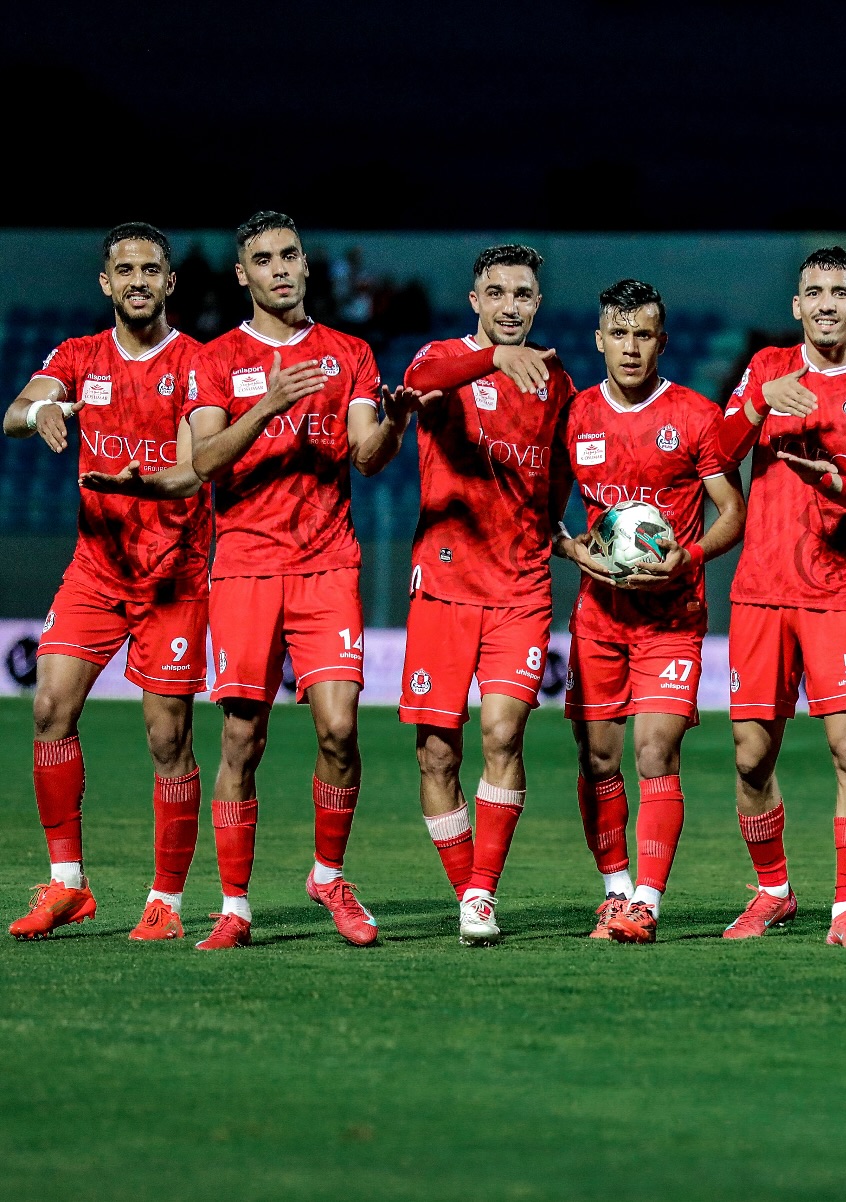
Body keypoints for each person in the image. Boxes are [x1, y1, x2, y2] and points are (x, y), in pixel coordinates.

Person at [184, 211, 421, 950]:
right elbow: (204, 461)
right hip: (246, 567)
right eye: (264, 258)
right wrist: (271, 403)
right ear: (242, 274)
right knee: (242, 738)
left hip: (327, 565)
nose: (281, 268)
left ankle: (328, 874)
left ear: (307, 266)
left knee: (341, 731)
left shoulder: (348, 351)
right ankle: (234, 906)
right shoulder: (215, 357)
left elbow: (365, 454)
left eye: (290, 255)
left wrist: (395, 425)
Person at [3, 222, 210, 941]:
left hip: (174, 577)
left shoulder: (196, 364)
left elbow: (191, 468)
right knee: (49, 709)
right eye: (125, 269)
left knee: (166, 740)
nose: (138, 281)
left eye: (151, 269)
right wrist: (44, 410)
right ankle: (68, 886)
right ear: (106, 282)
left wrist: (141, 484)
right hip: (96, 569)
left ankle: (166, 901)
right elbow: (13, 415)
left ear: (170, 281)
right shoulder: (80, 355)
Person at [715, 246, 846, 949]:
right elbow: (716, 449)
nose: (826, 302)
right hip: (761, 591)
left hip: (838, 593)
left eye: (839, 292)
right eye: (814, 291)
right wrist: (757, 403)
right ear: (797, 305)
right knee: (748, 756)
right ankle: (773, 891)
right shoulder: (767, 368)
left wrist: (830, 477)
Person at [551, 279, 745, 942]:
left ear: (662, 341)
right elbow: (541, 506)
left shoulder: (695, 415)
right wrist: (575, 549)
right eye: (620, 334)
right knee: (598, 758)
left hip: (671, 616)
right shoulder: (576, 416)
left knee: (655, 749)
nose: (632, 348)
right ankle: (613, 892)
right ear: (600, 339)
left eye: (644, 335)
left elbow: (733, 512)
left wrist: (688, 558)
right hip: (598, 618)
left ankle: (647, 902)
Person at [398, 244, 575, 947]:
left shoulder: (552, 378)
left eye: (523, 294)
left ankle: (481, 895)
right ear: (475, 300)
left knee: (502, 733)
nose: (509, 305)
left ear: (537, 303)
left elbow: (559, 465)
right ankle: (467, 887)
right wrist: (491, 360)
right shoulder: (441, 358)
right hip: (443, 584)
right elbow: (427, 380)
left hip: (520, 587)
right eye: (496, 292)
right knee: (438, 756)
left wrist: (555, 528)